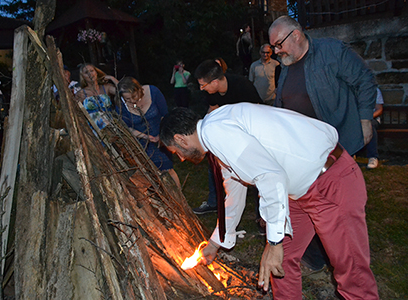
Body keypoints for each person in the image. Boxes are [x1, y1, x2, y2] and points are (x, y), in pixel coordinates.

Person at [159, 105, 379, 300]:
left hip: (330, 183)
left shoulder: (218, 132)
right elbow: (233, 195)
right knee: (280, 263)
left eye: (176, 151)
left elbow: (269, 177)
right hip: (296, 193)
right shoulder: (217, 137)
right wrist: (216, 243)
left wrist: (274, 243)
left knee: (351, 270)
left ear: (180, 139)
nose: (180, 157)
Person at [268, 15, 377, 289]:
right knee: (306, 214)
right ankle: (318, 257)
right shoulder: (284, 67)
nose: (276, 52)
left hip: (336, 148)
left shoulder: (331, 52)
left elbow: (364, 80)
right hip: (303, 156)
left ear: (296, 34)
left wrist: (365, 118)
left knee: (341, 211)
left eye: (279, 44)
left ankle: (348, 261)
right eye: (273, 48)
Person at [192, 59, 262, 217]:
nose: (202, 89)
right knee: (214, 165)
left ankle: (262, 217)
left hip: (250, 135)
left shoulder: (243, 86)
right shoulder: (212, 93)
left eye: (204, 85)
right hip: (230, 138)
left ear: (215, 82)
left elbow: (258, 113)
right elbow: (212, 111)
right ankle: (214, 202)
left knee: (258, 175)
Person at [117, 77, 181, 188]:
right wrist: (147, 137)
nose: (132, 101)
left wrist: (161, 135)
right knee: (150, 175)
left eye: (133, 96)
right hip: (141, 143)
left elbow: (165, 115)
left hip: (160, 137)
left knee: (168, 169)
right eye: (127, 99)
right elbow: (127, 128)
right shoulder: (121, 106)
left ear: (139, 89)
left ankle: (180, 197)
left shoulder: (153, 92)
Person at [74, 63, 118, 130]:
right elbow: (76, 112)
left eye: (92, 71)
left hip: (111, 127)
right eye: (86, 72)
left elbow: (123, 92)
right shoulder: (81, 93)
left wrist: (112, 78)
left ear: (96, 72)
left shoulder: (106, 87)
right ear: (83, 76)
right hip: (94, 129)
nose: (90, 74)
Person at [366, 88, 384, 169]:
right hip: (356, 119)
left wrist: (367, 117)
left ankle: (373, 157)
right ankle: (351, 153)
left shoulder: (375, 90)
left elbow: (379, 109)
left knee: (370, 125)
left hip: (372, 118)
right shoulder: (353, 89)